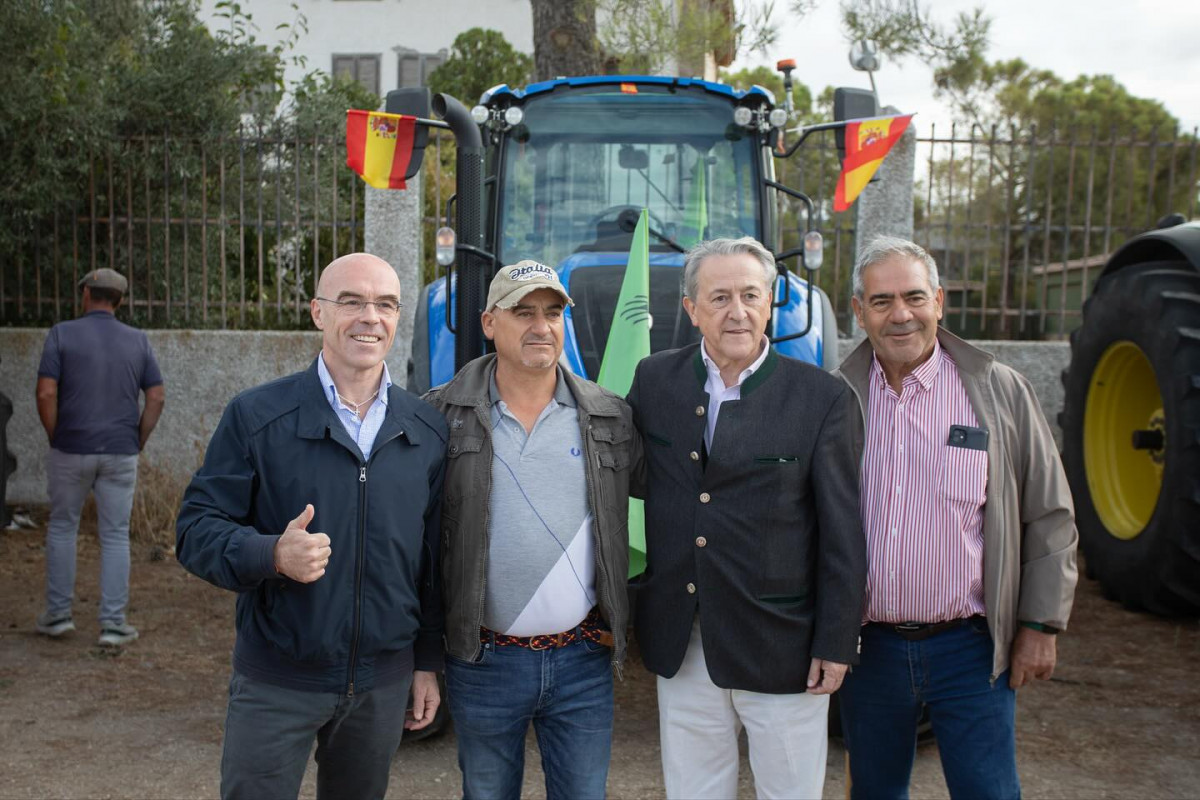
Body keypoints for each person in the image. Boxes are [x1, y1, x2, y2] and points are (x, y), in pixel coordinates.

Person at [175, 253, 446, 800]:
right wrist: (271, 554)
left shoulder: (426, 427)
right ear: (318, 313)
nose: (370, 317)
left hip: (382, 683)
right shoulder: (256, 417)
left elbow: (434, 560)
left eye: (386, 304)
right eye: (351, 301)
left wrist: (427, 663)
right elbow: (195, 529)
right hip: (278, 679)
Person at [836, 236, 1079, 799]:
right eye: (881, 301)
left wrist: (1041, 625)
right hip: (867, 650)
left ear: (939, 301)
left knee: (989, 792)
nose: (900, 315)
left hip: (970, 650)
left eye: (914, 297)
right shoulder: (836, 395)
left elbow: (1049, 514)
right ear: (858, 311)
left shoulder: (997, 391)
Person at [626, 237, 866, 800]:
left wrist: (836, 639)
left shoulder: (822, 397)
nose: (737, 312)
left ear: (771, 301)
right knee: (693, 790)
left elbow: (842, 531)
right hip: (683, 640)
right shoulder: (654, 380)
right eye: (719, 297)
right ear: (691, 308)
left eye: (750, 296)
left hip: (782, 644)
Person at [423, 260, 638, 800]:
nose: (542, 326)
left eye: (552, 312)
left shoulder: (608, 416)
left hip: (582, 663)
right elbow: (418, 549)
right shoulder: (438, 415)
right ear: (489, 323)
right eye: (524, 312)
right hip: (483, 663)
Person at [35, 268, 165, 647]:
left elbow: (45, 393)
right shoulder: (138, 341)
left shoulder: (62, 334)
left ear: (87, 293)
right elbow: (156, 396)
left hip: (70, 447)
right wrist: (137, 439)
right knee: (114, 535)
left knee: (62, 527)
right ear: (119, 300)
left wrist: (56, 434)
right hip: (120, 450)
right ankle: (112, 624)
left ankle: (58, 617)